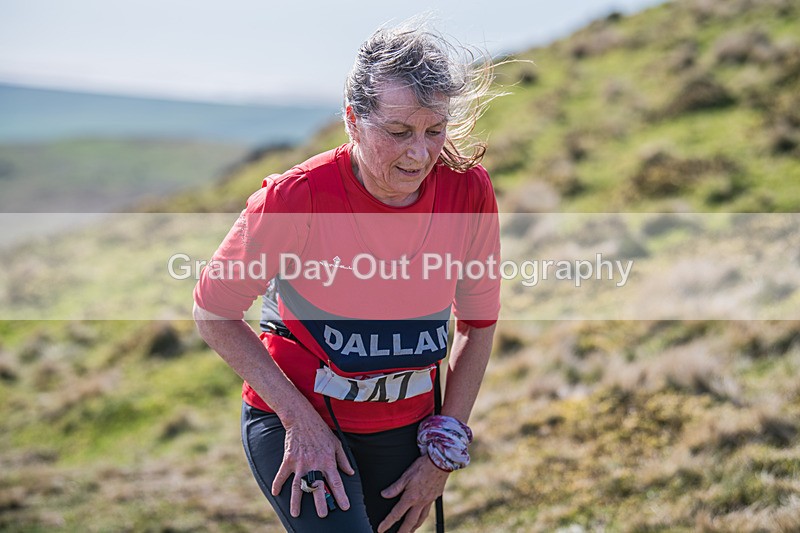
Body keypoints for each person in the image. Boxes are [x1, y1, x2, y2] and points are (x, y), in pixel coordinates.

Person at [193, 19, 501, 533]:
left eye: (434, 130)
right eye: (399, 132)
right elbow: (214, 313)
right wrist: (299, 421)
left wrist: (446, 443)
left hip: (404, 428)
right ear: (354, 121)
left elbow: (477, 323)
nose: (420, 154)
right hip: (300, 419)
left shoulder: (467, 192)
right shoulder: (295, 199)